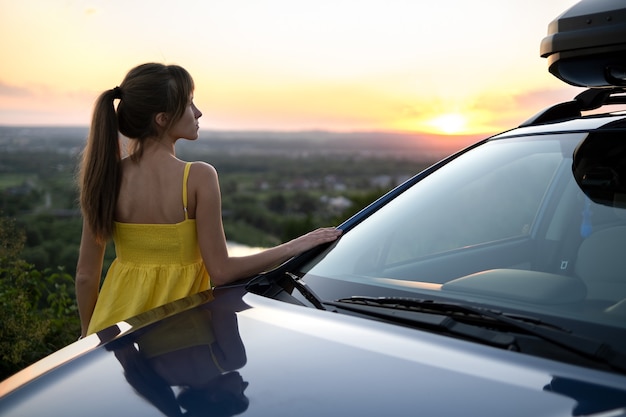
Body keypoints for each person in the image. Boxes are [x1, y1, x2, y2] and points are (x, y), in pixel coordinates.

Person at [75, 63, 342, 338]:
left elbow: (86, 275)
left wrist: (86, 333)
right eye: (189, 103)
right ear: (162, 118)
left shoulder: (106, 177)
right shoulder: (198, 177)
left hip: (114, 330)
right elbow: (222, 271)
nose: (198, 112)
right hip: (178, 330)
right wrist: (296, 246)